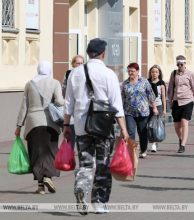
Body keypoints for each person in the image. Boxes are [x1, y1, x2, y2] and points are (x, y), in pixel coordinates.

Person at [63, 38, 129, 215]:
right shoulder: (109, 74)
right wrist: (123, 129)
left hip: (81, 126)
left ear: (88, 53)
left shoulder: (74, 74)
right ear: (103, 53)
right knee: (103, 164)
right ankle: (99, 202)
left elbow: (68, 102)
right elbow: (116, 105)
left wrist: (65, 124)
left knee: (85, 162)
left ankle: (81, 188)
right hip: (103, 127)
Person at [15, 61, 64, 194]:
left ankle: (40, 187)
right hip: (50, 123)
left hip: (33, 123)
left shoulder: (30, 84)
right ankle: (48, 177)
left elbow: (24, 106)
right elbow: (59, 101)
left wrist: (19, 125)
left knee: (36, 153)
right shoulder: (54, 83)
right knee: (50, 151)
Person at [121, 62, 158, 159]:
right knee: (130, 132)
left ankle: (143, 149)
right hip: (129, 112)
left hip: (143, 112)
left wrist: (154, 107)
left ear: (137, 71)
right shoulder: (125, 84)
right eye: (129, 71)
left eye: (132, 71)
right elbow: (122, 98)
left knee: (142, 132)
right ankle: (132, 151)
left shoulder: (144, 82)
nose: (130, 73)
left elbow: (151, 95)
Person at [167, 55, 194, 153]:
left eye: (181, 64)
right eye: (178, 64)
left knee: (184, 122)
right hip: (177, 101)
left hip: (188, 101)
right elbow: (171, 88)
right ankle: (181, 138)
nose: (180, 66)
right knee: (177, 125)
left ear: (185, 64)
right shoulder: (173, 74)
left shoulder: (190, 74)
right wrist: (170, 101)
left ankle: (183, 145)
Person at [62, 55, 85, 149]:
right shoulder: (68, 74)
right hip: (71, 110)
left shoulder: (86, 74)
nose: (80, 65)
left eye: (82, 63)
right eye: (78, 63)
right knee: (70, 134)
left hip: (82, 110)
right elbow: (63, 90)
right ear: (73, 64)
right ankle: (69, 155)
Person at [147, 65, 167, 153]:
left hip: (158, 106)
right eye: (152, 72)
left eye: (156, 72)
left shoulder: (161, 84)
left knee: (155, 126)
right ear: (150, 73)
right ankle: (151, 140)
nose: (154, 73)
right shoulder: (147, 82)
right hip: (148, 106)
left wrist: (164, 109)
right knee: (149, 125)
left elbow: (163, 97)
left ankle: (154, 143)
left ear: (159, 73)